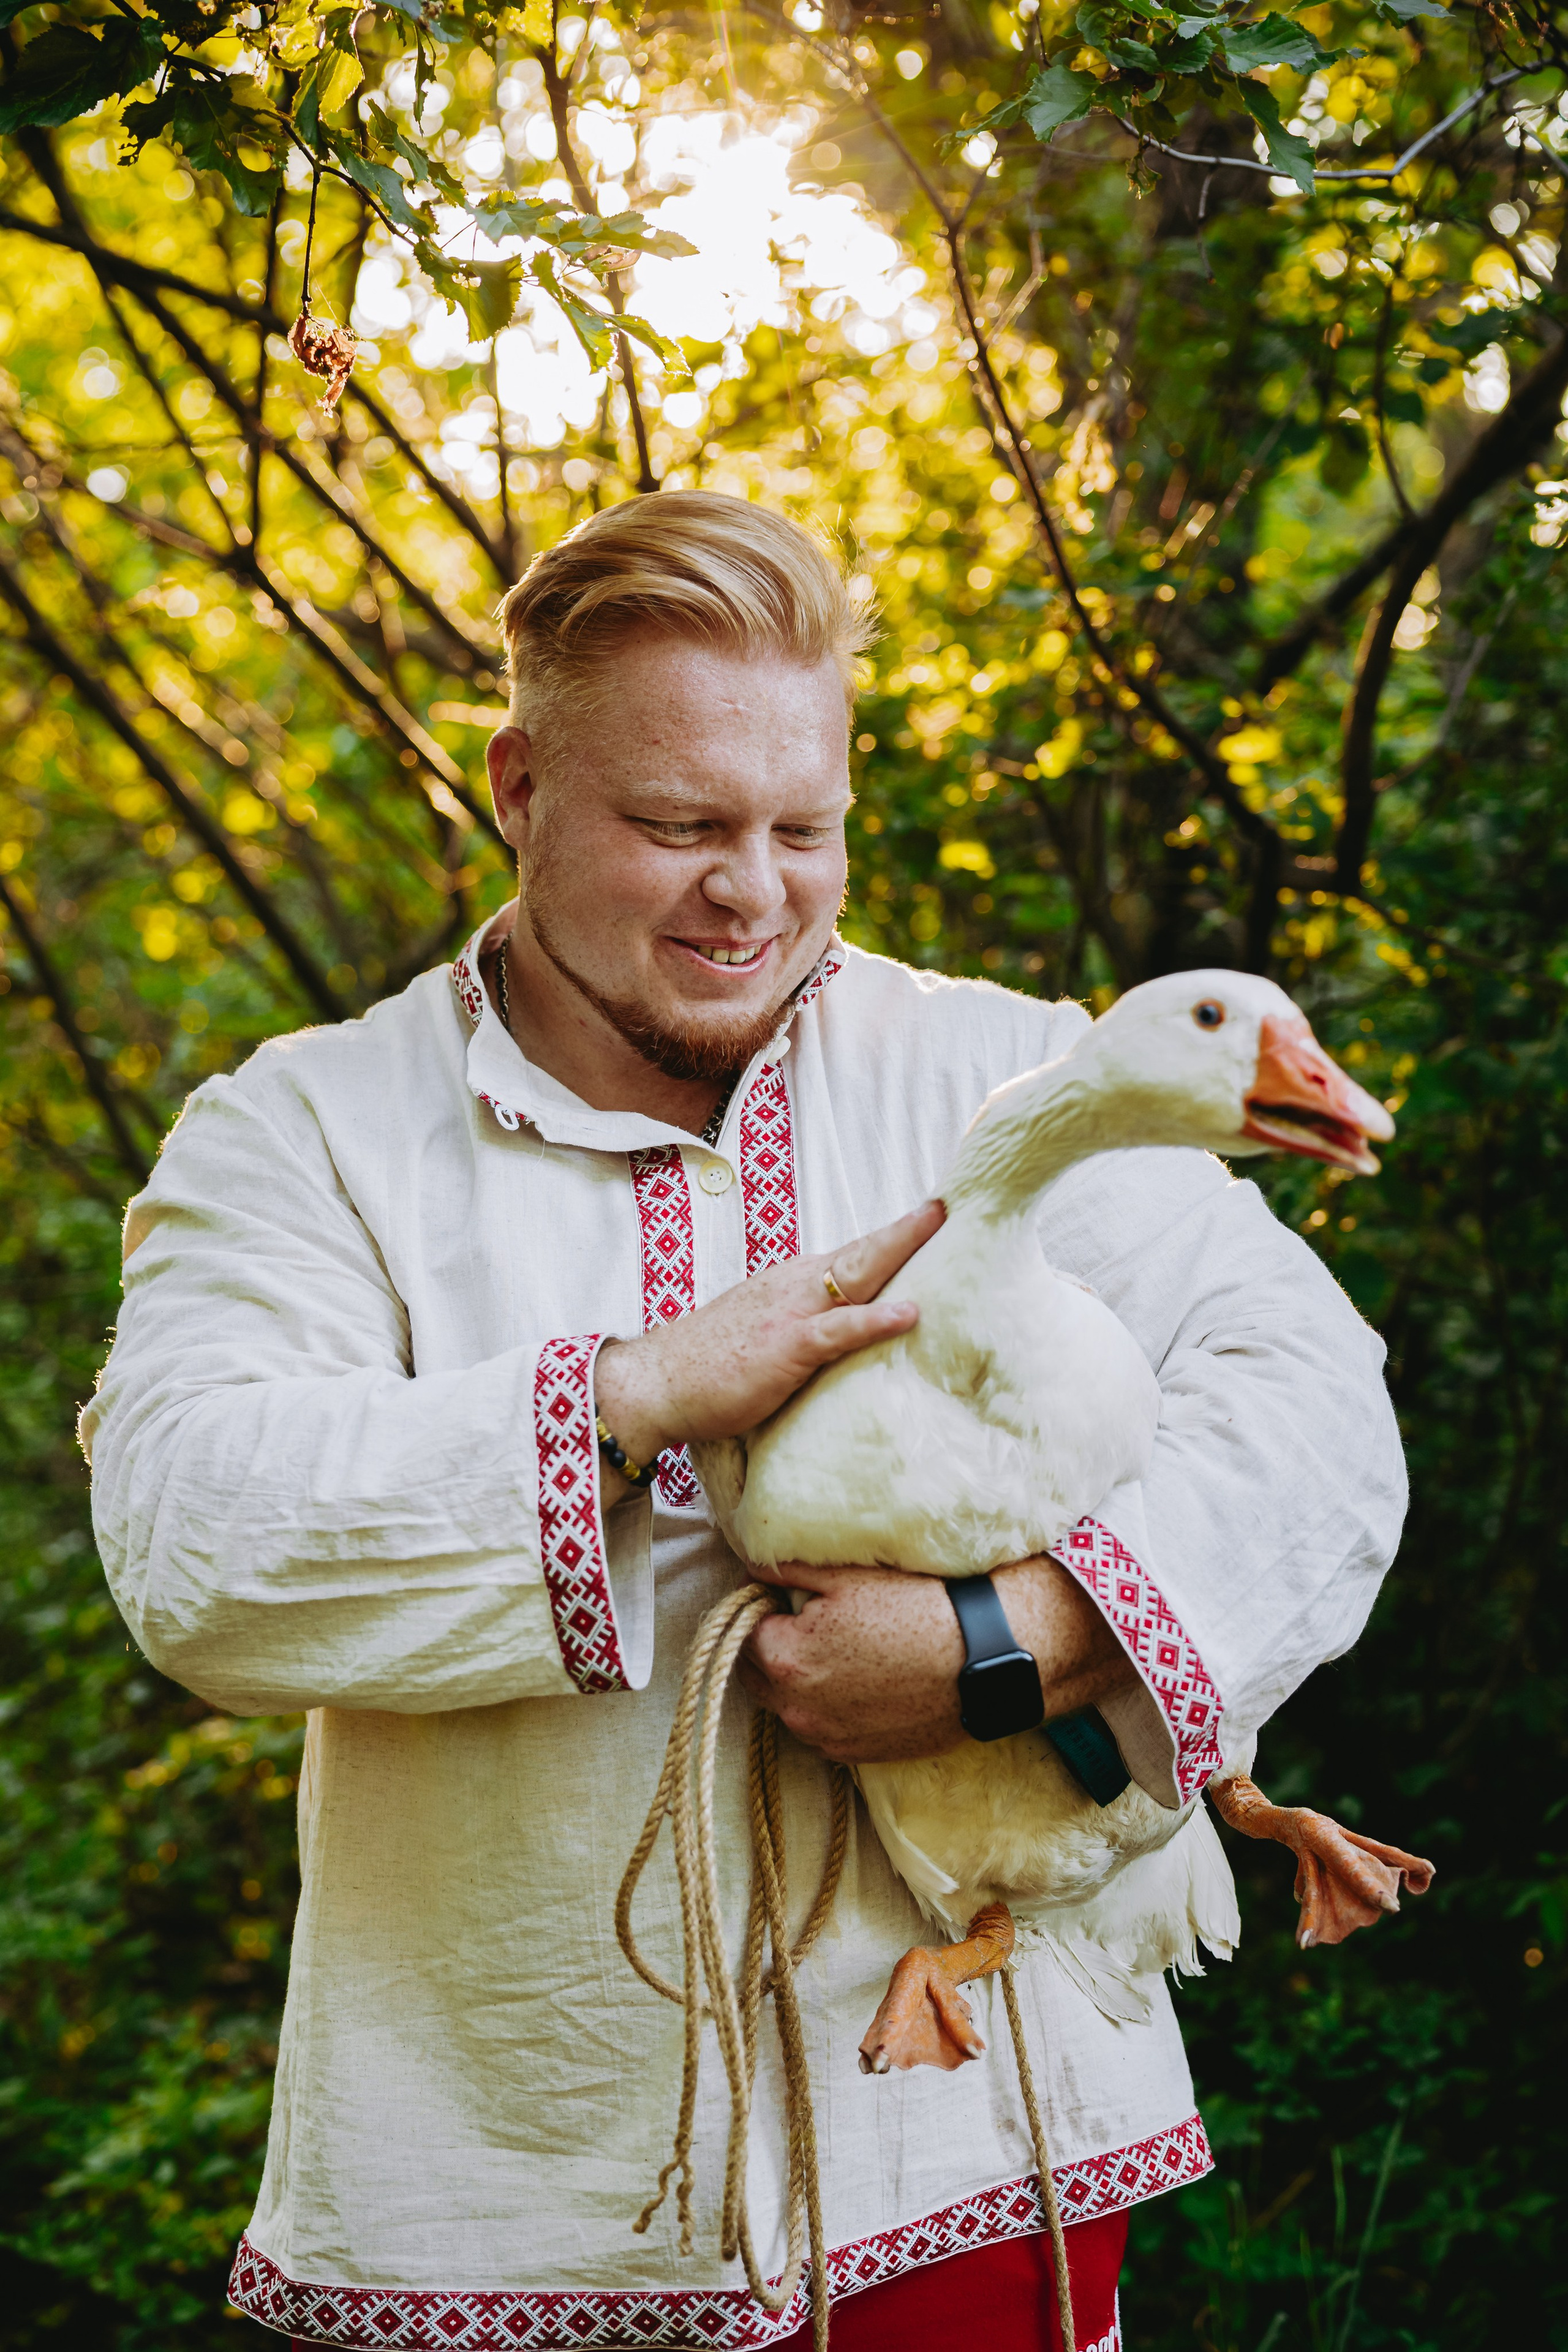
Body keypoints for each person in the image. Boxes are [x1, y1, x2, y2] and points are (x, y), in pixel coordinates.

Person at [83, 492, 1406, 2352]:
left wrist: (1009, 1642)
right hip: (520, 2194)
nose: (754, 891)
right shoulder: (305, 1135)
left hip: (978, 2153)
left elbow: (1316, 1408)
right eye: (679, 827)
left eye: (804, 830)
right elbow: (195, 1540)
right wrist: (635, 1397)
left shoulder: (999, 1073)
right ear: (519, 788)